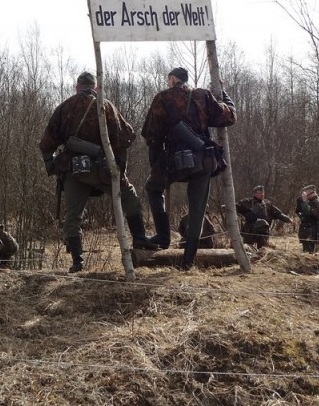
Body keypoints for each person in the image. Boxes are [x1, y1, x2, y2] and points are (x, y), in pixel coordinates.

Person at [39, 71, 157, 274]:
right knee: (129, 197)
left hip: (73, 169)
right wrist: (119, 168)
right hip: (101, 168)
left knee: (72, 216)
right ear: (95, 88)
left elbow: (46, 143)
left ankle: (77, 262)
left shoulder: (65, 107)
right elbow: (126, 137)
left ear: (77, 87)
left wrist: (51, 165)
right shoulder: (106, 105)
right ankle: (139, 239)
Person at [142, 67, 236, 271]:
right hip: (202, 158)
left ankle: (163, 236)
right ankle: (188, 261)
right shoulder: (203, 95)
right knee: (197, 208)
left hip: (171, 160)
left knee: (153, 189)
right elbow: (229, 117)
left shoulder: (163, 98)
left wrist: (156, 164)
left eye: (169, 80)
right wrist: (223, 91)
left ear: (173, 80)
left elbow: (151, 134)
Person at [295, 184, 319, 253]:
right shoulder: (309, 202)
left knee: (311, 253)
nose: (304, 195)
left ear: (311, 192)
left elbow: (311, 214)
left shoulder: (318, 202)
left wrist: (305, 202)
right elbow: (299, 213)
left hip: (313, 232)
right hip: (305, 231)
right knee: (305, 252)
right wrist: (300, 202)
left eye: (305, 193)